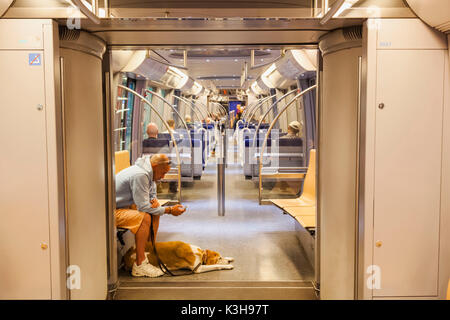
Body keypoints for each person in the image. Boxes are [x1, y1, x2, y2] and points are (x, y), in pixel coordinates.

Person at [115, 153, 186, 277]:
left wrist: (155, 203)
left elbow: (151, 196)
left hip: (124, 206)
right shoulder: (141, 175)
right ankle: (140, 264)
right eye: (163, 173)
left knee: (155, 210)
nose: (163, 177)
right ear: (155, 166)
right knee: (144, 217)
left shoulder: (150, 174)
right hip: (110, 211)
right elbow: (143, 207)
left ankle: (148, 254)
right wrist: (169, 210)